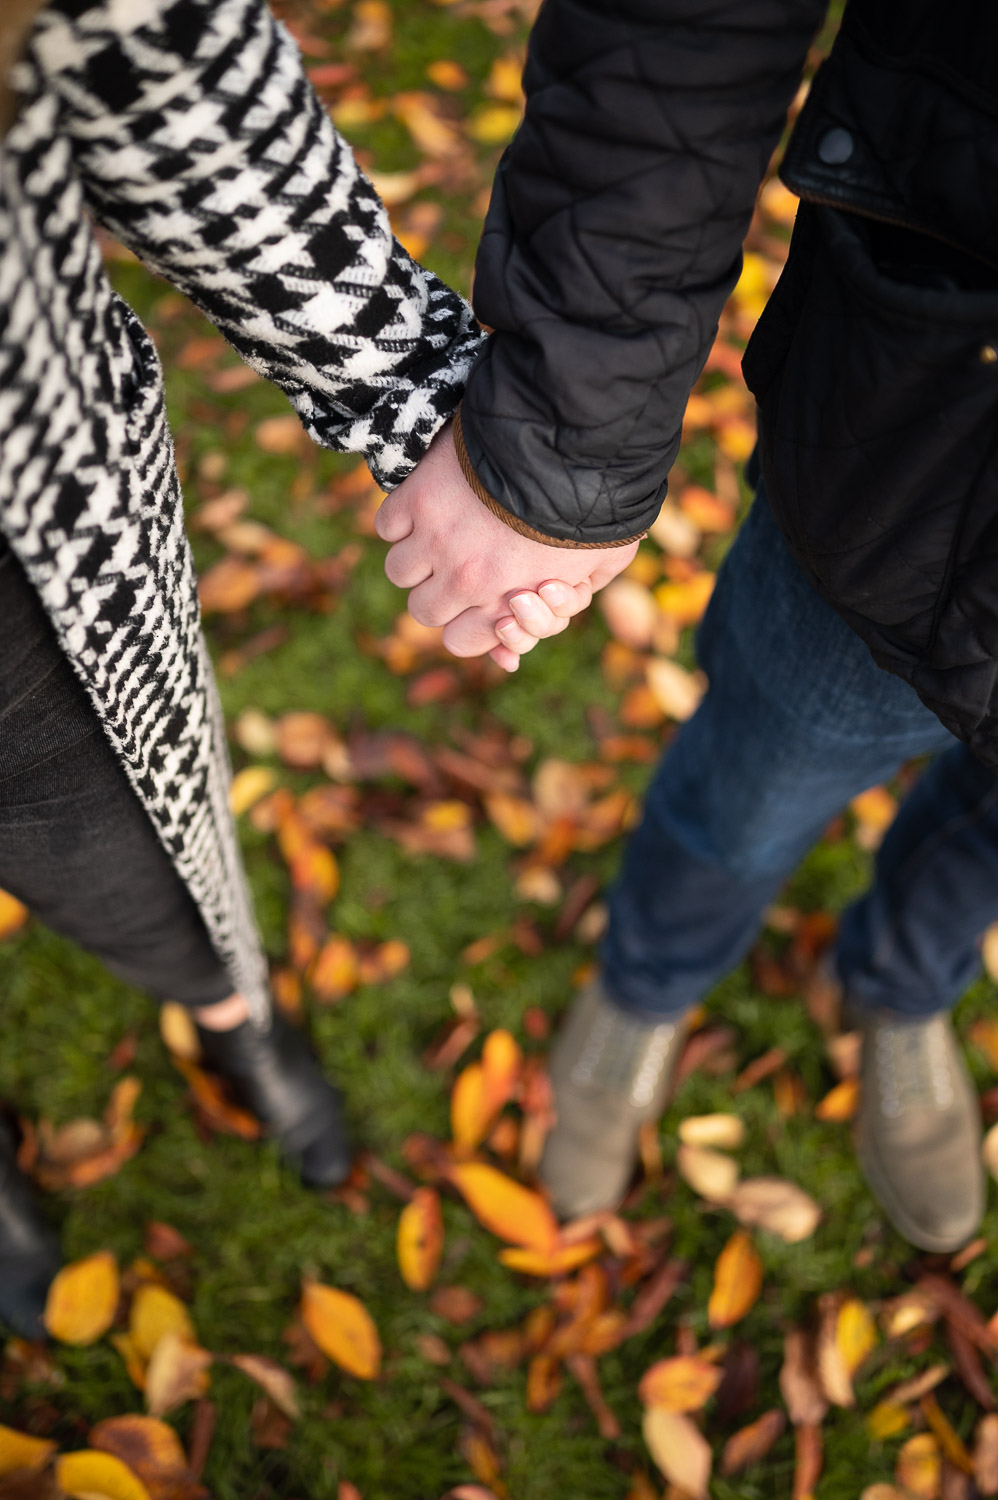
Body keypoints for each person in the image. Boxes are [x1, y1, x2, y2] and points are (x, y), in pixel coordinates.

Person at [0, 0, 637, 1338]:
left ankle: (229, 1008)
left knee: (124, 843)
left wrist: (438, 417)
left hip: (16, 531)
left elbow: (164, 79)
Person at [378, 0, 998, 1253]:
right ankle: (644, 988)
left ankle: (902, 987)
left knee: (984, 852)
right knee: (746, 798)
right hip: (928, 486)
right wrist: (563, 442)